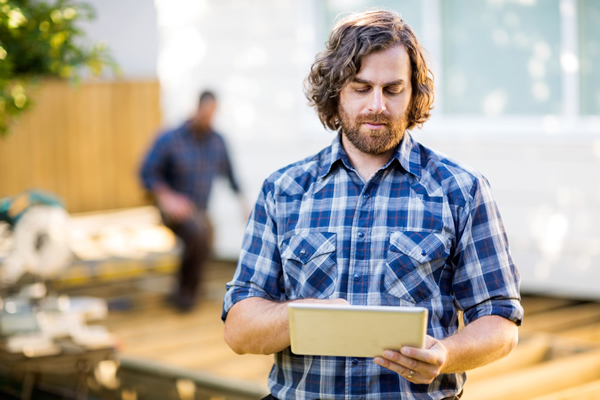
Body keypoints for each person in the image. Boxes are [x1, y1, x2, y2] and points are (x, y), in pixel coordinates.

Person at [222, 10, 523, 400]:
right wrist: (310, 315)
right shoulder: (283, 190)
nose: (377, 105)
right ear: (336, 92)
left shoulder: (461, 189)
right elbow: (239, 330)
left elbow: (501, 323)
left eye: (393, 89)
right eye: (361, 88)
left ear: (413, 93)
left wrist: (447, 353)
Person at [140, 91, 245, 312]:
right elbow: (146, 173)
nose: (207, 118)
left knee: (205, 234)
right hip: (171, 207)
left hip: (199, 210)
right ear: (196, 108)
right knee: (198, 232)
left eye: (212, 114)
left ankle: (187, 290)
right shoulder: (170, 138)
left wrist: (244, 205)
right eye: (204, 113)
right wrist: (167, 197)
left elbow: (232, 177)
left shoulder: (217, 142)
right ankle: (185, 296)